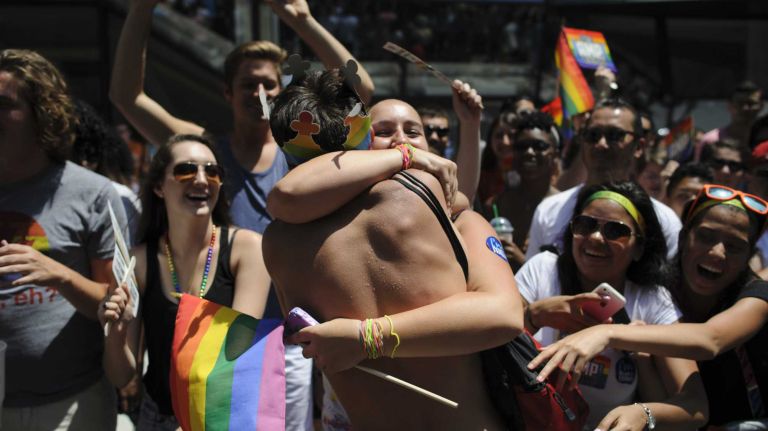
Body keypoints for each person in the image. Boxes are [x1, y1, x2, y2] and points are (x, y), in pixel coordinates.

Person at [110, 1, 374, 425]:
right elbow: (127, 97)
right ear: (227, 93)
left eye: (270, 85)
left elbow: (360, 92)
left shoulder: (304, 153)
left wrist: (302, 20)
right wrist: (142, 9)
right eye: (248, 85)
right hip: (217, 344)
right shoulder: (202, 154)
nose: (261, 95)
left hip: (292, 343)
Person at [264, 69, 522, 429]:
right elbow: (286, 196)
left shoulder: (276, 242)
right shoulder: (422, 191)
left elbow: (504, 315)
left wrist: (366, 338)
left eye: (412, 134)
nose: (403, 142)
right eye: (385, 133)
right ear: (364, 138)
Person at [529, 183, 768, 429]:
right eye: (706, 237)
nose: (718, 252)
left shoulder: (757, 295)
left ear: (750, 255)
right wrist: (533, 314)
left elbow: (710, 340)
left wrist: (605, 333)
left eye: (735, 246)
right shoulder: (659, 290)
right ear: (684, 237)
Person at [98, 134, 271, 430]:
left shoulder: (248, 249)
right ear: (158, 186)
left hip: (225, 415)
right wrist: (115, 332)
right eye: (186, 170)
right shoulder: (138, 262)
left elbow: (239, 354)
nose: (202, 180)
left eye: (212, 171)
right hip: (159, 418)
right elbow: (122, 376)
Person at [0, 48, 128, 430]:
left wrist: (60, 275)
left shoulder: (94, 195)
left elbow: (118, 306)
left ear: (43, 114)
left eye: (4, 105)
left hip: (71, 408)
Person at [526, 97, 682, 260]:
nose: (601, 144)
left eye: (614, 135)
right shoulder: (549, 211)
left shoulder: (664, 222)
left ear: (639, 147)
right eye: (592, 135)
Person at [485, 111, 560, 270]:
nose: (529, 152)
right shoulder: (496, 205)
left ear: (555, 153)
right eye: (522, 146)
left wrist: (524, 262)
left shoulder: (565, 207)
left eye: (539, 146)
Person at [695, 80, 764, 159]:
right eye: (740, 103)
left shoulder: (765, 141)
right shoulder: (711, 141)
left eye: (751, 103)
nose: (745, 108)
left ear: (761, 106)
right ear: (729, 105)